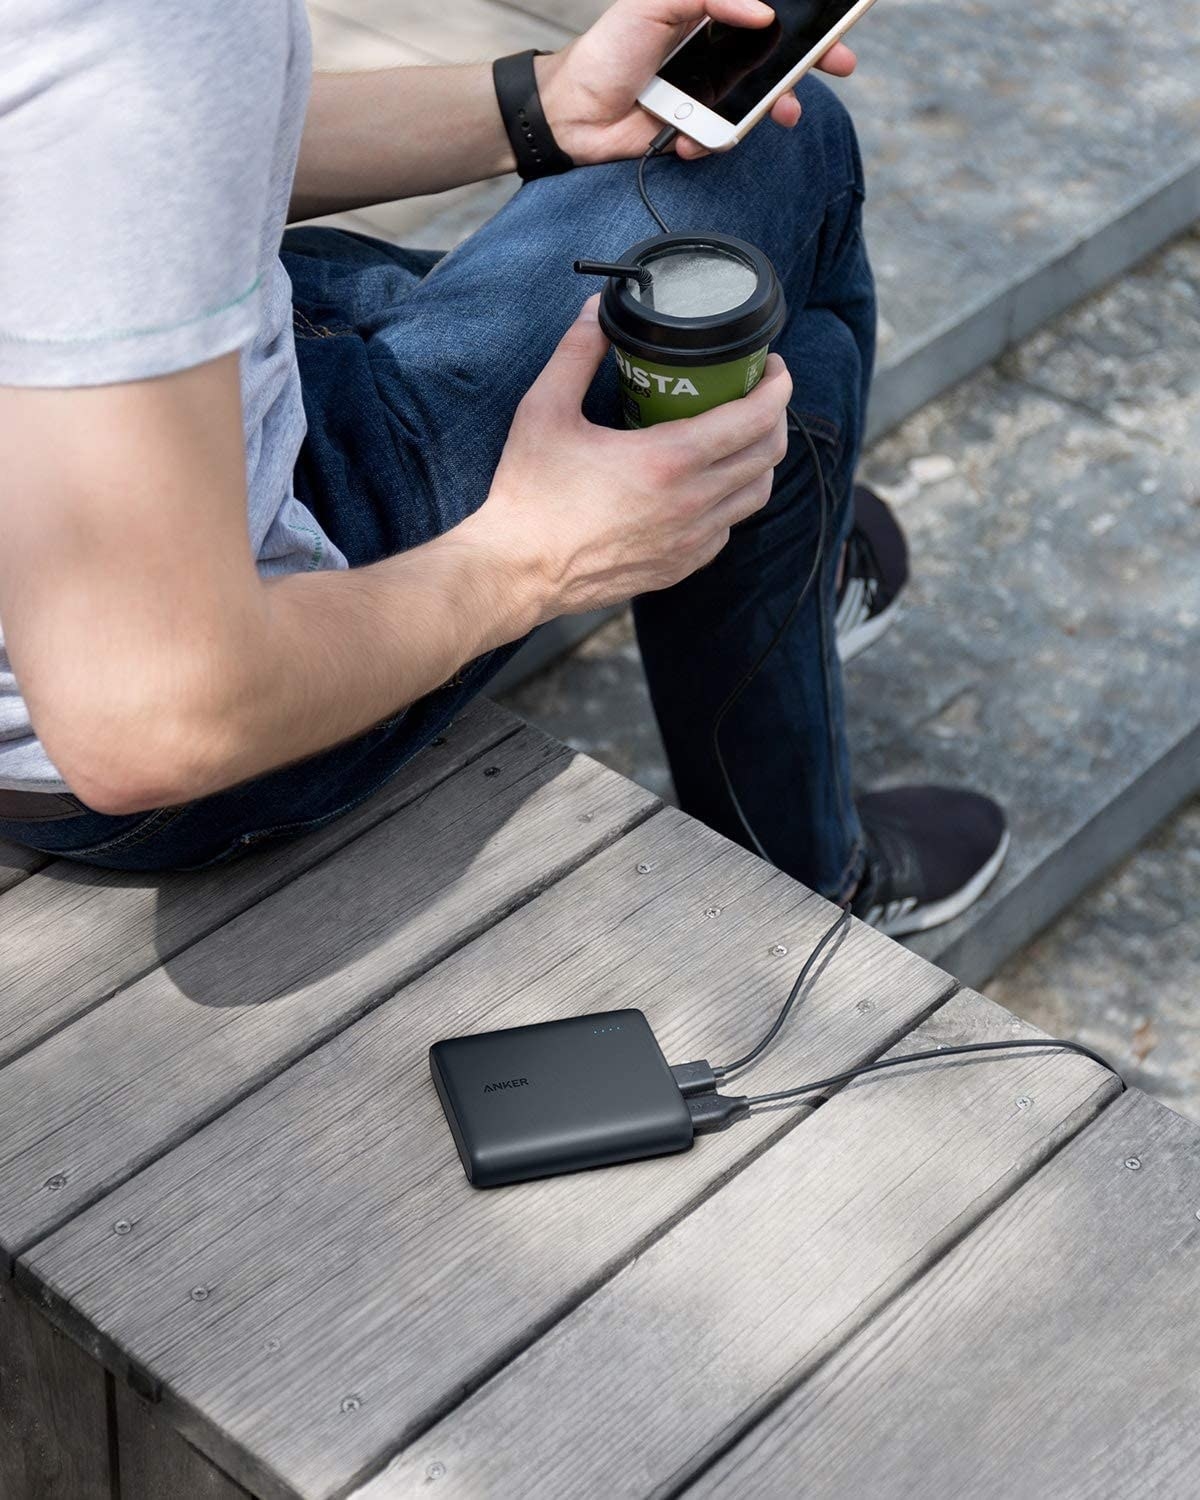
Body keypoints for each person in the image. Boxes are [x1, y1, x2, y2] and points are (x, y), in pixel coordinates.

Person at [0, 0, 1007, 936]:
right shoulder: (132, 30)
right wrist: (534, 555)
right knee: (795, 164)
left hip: (183, 417)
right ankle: (813, 863)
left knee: (779, 385)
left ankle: (781, 559)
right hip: (193, 725)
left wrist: (543, 101)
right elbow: (154, 718)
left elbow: (133, 164)